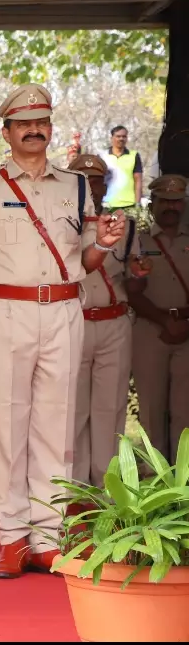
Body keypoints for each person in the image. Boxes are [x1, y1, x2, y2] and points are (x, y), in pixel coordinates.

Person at [0, 85, 127, 578]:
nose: (35, 130)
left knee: (57, 424)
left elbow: (86, 261)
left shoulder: (73, 186)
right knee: (8, 424)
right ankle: (11, 537)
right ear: (6, 131)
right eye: (24, 123)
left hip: (64, 311)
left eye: (42, 122)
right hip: (6, 311)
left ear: (50, 128)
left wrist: (106, 246)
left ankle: (48, 538)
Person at [68, 152, 139, 485]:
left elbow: (134, 275)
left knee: (110, 409)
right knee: (73, 409)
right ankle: (76, 489)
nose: (88, 187)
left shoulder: (123, 225)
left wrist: (141, 274)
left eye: (94, 181)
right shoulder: (57, 225)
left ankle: (107, 488)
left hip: (114, 322)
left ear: (103, 186)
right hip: (74, 322)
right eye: (81, 181)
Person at [128, 173, 189, 462]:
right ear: (152, 205)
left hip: (187, 334)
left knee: (185, 412)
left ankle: (183, 482)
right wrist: (165, 321)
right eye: (164, 200)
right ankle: (155, 479)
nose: (171, 207)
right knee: (152, 410)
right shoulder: (137, 241)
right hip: (149, 332)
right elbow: (131, 290)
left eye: (176, 201)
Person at [102, 126, 143, 212]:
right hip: (107, 204)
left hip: (129, 204)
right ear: (112, 138)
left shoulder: (134, 155)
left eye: (124, 136)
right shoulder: (102, 156)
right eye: (118, 136)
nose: (121, 139)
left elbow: (138, 181)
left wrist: (138, 204)